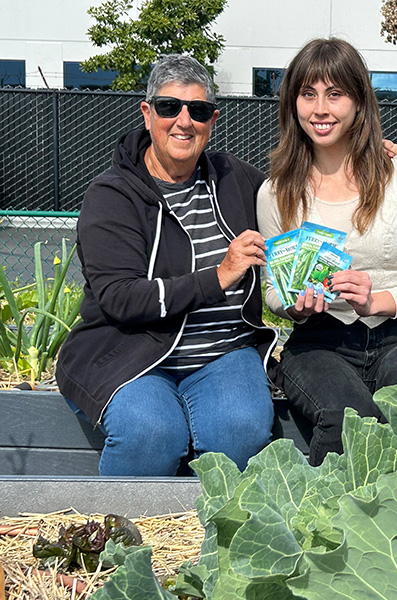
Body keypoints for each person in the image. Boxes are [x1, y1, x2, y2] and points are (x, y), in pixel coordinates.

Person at [56, 54, 278, 476]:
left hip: (224, 350)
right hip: (133, 354)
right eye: (168, 106)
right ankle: (124, 521)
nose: (184, 121)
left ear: (213, 120)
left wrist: (362, 154)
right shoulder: (112, 195)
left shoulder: (235, 178)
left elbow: (304, 184)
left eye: (198, 110)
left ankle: (211, 519)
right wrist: (219, 276)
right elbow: (121, 298)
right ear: (147, 113)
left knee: (241, 430)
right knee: (150, 433)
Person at [257, 38, 397, 467]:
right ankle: (325, 510)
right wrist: (295, 308)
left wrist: (374, 300)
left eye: (335, 94)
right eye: (308, 94)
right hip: (319, 341)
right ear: (292, 103)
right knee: (348, 418)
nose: (320, 109)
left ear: (359, 102)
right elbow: (273, 291)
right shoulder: (275, 192)